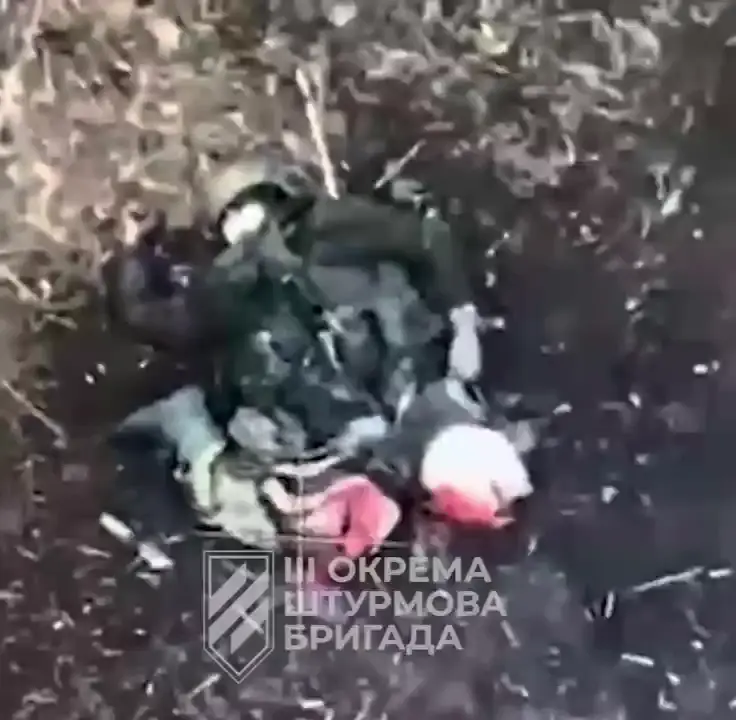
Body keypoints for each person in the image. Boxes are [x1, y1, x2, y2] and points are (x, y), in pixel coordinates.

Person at [102, 153, 497, 560]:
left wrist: (464, 322)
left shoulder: (328, 227)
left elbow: (427, 238)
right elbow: (152, 319)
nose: (238, 224)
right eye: (229, 219)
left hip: (401, 403)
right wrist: (135, 252)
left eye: (240, 210)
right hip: (328, 442)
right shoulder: (226, 286)